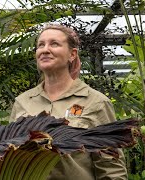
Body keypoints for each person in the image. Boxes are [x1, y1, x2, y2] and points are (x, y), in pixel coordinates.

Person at [9, 24, 127, 180]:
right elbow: (9, 158)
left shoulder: (95, 102)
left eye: (54, 44)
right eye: (40, 45)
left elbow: (111, 167)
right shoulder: (23, 102)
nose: (45, 49)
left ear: (72, 54)